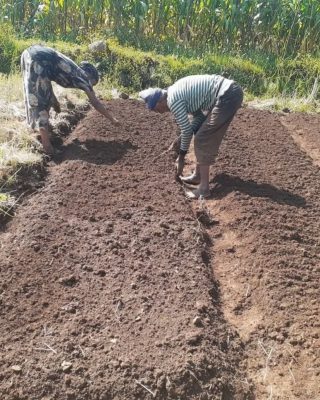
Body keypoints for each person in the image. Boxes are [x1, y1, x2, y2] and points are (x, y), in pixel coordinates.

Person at [139, 74, 243, 199]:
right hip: (228, 92)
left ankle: (204, 189)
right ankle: (198, 176)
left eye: (154, 107)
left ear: (160, 101)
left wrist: (181, 156)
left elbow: (187, 130)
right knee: (200, 132)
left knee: (202, 138)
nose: (156, 112)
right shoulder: (175, 92)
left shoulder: (173, 101)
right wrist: (181, 138)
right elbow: (198, 117)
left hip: (227, 95)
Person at [21, 45, 119, 155]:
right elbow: (95, 102)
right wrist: (112, 119)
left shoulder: (73, 68)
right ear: (90, 76)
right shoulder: (84, 78)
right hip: (40, 59)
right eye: (93, 83)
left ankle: (34, 127)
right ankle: (47, 147)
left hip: (29, 52)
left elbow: (47, 79)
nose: (91, 87)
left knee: (33, 90)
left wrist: (54, 101)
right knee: (42, 102)